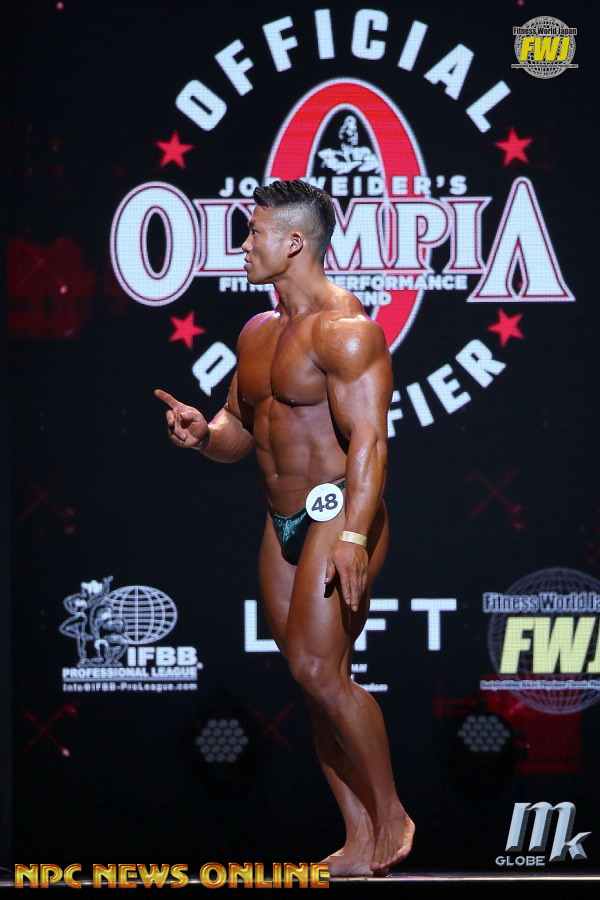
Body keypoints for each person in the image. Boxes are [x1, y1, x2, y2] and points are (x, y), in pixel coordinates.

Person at [155, 179, 414, 876]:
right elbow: (241, 429)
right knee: (312, 680)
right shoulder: (257, 332)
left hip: (340, 510)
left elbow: (370, 443)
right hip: (281, 520)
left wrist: (355, 534)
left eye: (254, 233)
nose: (244, 245)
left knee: (318, 669)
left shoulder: (346, 329)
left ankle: (392, 814)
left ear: (294, 242)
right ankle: (358, 837)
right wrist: (204, 435)